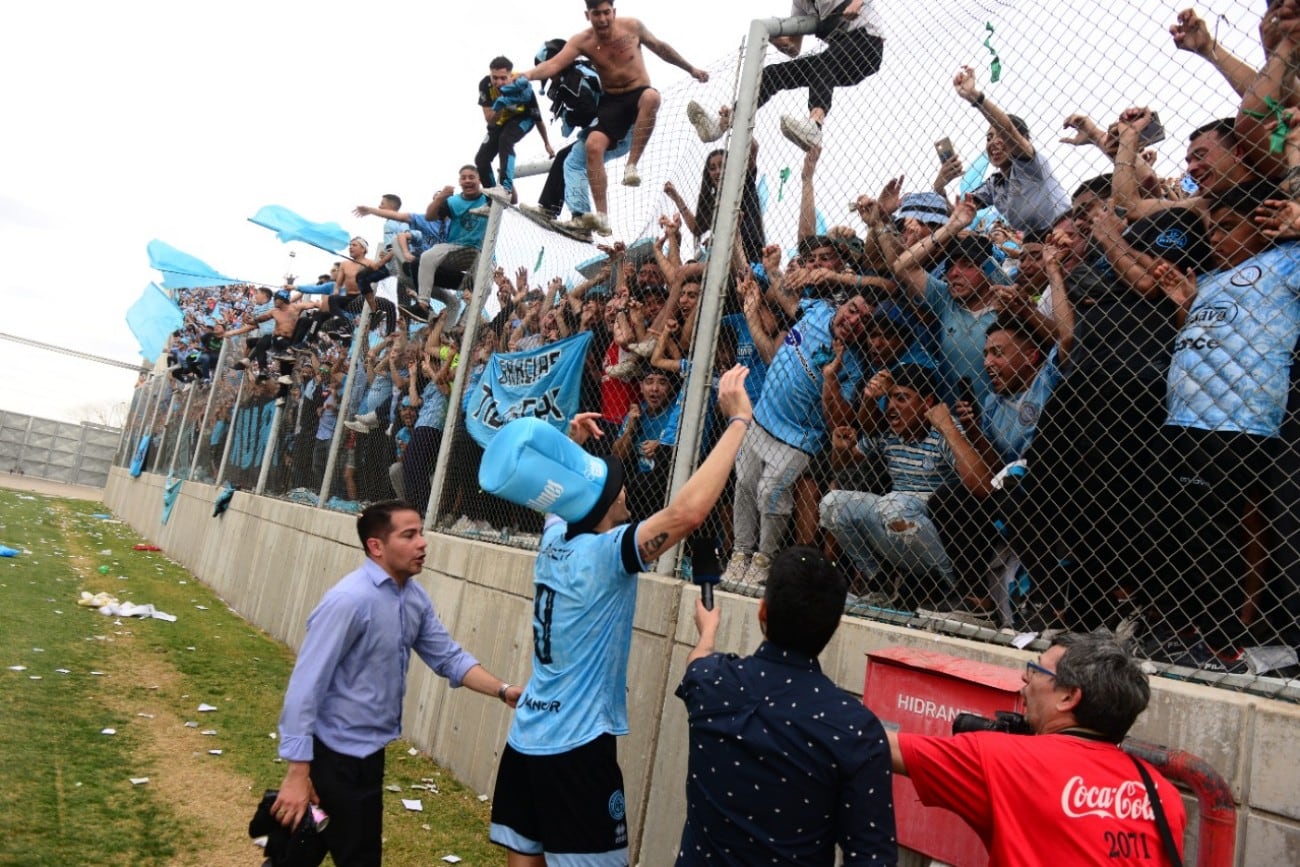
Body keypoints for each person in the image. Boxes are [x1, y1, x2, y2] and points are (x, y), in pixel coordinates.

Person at [482, 365, 754, 867]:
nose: (626, 491)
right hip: (576, 748)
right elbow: (687, 514)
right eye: (618, 487)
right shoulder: (607, 554)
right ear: (606, 505)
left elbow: (559, 497)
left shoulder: (554, 537)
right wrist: (739, 422)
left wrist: (570, 446)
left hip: (528, 737)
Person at [270, 501, 522, 866]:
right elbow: (305, 687)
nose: (422, 543)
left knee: (298, 855)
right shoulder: (349, 601)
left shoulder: (413, 599)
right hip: (334, 760)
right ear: (376, 546)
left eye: (421, 532)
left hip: (368, 757)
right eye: (409, 535)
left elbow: (448, 657)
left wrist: (503, 690)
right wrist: (297, 774)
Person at [675, 545, 897, 865]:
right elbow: (872, 857)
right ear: (834, 627)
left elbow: (695, 661)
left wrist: (707, 632)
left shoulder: (711, 682)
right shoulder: (856, 731)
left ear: (762, 612)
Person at [887, 632, 1187, 866]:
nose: (1024, 677)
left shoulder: (1002, 759)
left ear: (1068, 697)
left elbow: (877, 745)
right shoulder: (1163, 795)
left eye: (1035, 669)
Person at [518, 0, 710, 236]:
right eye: (596, 14)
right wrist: (525, 75)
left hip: (628, 120)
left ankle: (597, 202)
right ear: (587, 15)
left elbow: (660, 48)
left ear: (614, 12)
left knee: (574, 160)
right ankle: (565, 211)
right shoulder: (582, 45)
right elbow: (552, 66)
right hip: (613, 113)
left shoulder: (580, 76)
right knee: (569, 157)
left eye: (606, 13)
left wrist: (690, 68)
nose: (602, 20)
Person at [686, 0, 885, 152]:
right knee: (772, 75)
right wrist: (772, 37)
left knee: (823, 63)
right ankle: (721, 125)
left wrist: (857, 2)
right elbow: (794, 48)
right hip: (838, 56)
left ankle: (814, 125)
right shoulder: (801, 2)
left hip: (867, 42)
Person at [951, 65, 1069, 233]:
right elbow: (963, 210)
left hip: (1064, 233)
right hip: (1035, 245)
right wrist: (940, 187)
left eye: (1001, 136)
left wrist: (975, 97)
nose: (994, 143)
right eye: (989, 138)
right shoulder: (994, 185)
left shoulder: (1031, 164)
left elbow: (1009, 130)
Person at [476, 56, 554, 202]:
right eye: (495, 78)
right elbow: (490, 119)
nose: (498, 83)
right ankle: (491, 202)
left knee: (506, 139)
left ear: (511, 76)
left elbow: (538, 118)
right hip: (501, 120)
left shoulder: (522, 86)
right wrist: (501, 103)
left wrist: (546, 143)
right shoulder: (485, 85)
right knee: (481, 160)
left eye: (503, 78)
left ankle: (506, 188)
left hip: (524, 119)